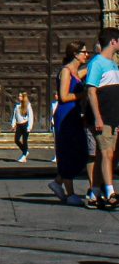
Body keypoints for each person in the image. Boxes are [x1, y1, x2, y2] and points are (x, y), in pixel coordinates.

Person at [49, 41, 89, 205]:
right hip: (65, 114)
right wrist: (82, 95)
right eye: (84, 52)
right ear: (75, 54)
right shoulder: (66, 71)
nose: (86, 55)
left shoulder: (74, 72)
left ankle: (58, 182)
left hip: (73, 114)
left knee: (80, 151)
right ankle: (70, 193)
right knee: (68, 150)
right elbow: (64, 96)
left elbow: (83, 73)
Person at [85, 27, 119, 208]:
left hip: (113, 117)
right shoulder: (96, 63)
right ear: (113, 41)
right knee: (106, 154)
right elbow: (91, 91)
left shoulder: (113, 63)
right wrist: (98, 117)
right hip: (103, 117)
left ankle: (95, 193)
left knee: (105, 156)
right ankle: (110, 192)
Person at [11, 92, 35, 161]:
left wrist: (29, 127)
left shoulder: (27, 105)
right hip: (18, 125)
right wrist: (13, 124)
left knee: (25, 141)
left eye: (21, 96)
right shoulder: (17, 105)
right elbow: (14, 116)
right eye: (19, 96)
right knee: (16, 140)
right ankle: (25, 151)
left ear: (24, 97)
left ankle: (24, 155)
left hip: (25, 124)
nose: (19, 97)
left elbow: (31, 116)